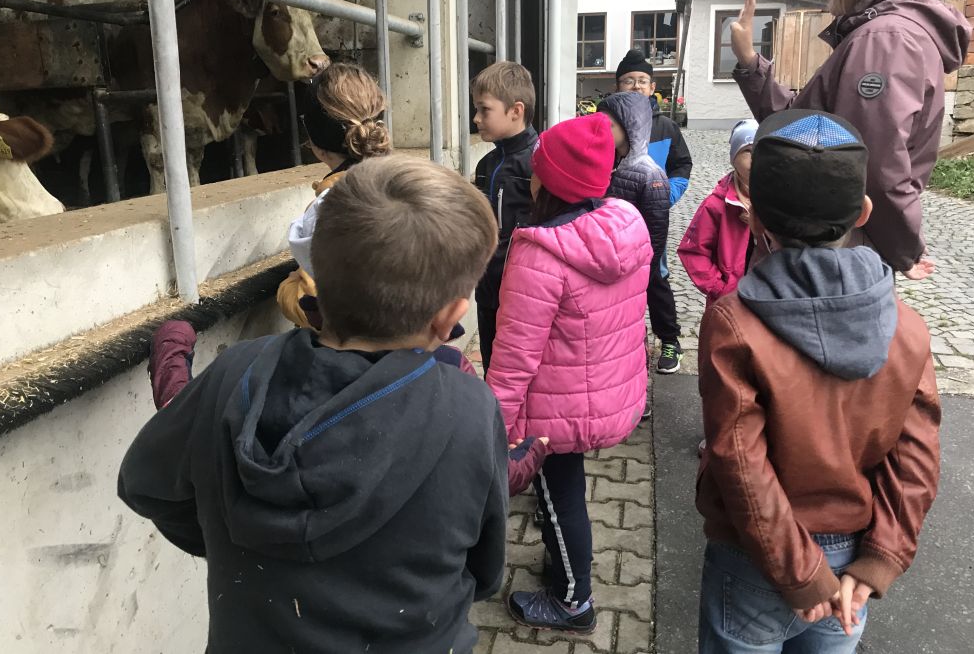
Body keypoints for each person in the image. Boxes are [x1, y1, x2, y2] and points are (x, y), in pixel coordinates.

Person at [120, 156, 510, 654]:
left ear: (315, 279)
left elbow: (146, 485)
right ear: (450, 316)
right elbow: (485, 568)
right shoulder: (468, 409)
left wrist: (230, 538)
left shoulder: (233, 375)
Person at [695, 110, 941, 654]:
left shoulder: (733, 322)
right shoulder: (907, 327)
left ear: (754, 218)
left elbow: (739, 461)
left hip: (756, 557)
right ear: (864, 212)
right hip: (853, 558)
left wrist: (800, 570)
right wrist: (881, 559)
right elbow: (916, 458)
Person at [729, 0, 970, 279]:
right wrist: (749, 62)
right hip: (834, 241)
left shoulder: (883, 42)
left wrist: (903, 250)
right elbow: (804, 126)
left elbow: (872, 166)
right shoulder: (880, 34)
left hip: (836, 247)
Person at [486, 113, 653, 633]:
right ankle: (564, 568)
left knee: (559, 499)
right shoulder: (624, 224)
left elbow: (513, 357)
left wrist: (495, 426)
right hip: (604, 393)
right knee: (566, 494)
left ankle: (572, 601)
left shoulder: (539, 252)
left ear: (549, 182)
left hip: (553, 408)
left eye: (537, 170)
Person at [276, 63, 391, 329]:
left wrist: (289, 288)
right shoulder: (405, 183)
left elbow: (313, 304)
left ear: (312, 135)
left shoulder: (329, 206)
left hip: (351, 345)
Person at [615, 49, 692, 372]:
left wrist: (666, 194)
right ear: (617, 86)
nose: (636, 86)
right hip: (615, 222)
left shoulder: (666, 128)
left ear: (652, 87)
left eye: (642, 80)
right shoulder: (608, 125)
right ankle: (628, 344)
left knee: (655, 278)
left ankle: (670, 340)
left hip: (652, 220)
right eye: (628, 80)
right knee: (618, 284)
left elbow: (682, 165)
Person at [597, 92, 672, 383]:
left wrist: (644, 273)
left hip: (636, 268)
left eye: (610, 125)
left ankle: (663, 349)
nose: (603, 131)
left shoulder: (650, 175)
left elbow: (656, 234)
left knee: (637, 323)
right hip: (609, 265)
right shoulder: (608, 165)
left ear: (630, 126)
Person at [471, 61, 539, 372]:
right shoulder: (486, 164)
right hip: (488, 288)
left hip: (524, 294)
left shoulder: (539, 162)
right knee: (492, 367)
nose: (476, 118)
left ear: (516, 110)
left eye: (484, 109)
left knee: (521, 371)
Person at [678, 119, 759, 304]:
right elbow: (693, 252)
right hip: (730, 302)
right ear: (734, 158)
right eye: (748, 151)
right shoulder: (718, 204)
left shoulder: (780, 200)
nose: (756, 158)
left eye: (763, 151)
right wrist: (721, 289)